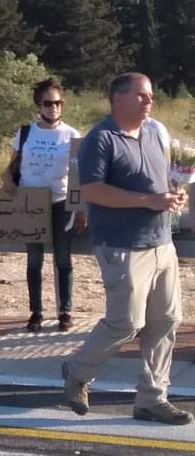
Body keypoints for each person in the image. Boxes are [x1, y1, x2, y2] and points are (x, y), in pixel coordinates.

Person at [61, 73, 192, 425]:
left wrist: (173, 194)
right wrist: (148, 200)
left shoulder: (153, 133)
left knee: (166, 321)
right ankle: (76, 370)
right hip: (122, 245)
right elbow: (93, 191)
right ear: (117, 99)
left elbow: (161, 178)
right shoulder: (100, 139)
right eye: (141, 95)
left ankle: (152, 398)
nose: (149, 101)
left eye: (150, 95)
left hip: (162, 242)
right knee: (126, 322)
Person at [2, 78, 84, 332]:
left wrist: (80, 209)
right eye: (48, 103)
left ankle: (65, 310)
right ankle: (36, 312)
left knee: (62, 259)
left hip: (60, 202)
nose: (54, 108)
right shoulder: (25, 132)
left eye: (58, 103)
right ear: (38, 104)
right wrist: (8, 184)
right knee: (34, 260)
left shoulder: (72, 134)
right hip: (30, 202)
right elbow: (12, 165)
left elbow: (77, 176)